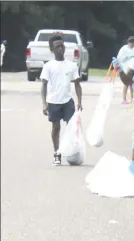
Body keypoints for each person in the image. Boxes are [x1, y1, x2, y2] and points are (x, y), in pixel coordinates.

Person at [40, 34, 82, 165]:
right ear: (52, 49)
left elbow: (77, 84)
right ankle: (57, 153)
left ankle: (72, 152)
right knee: (56, 128)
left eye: (62, 46)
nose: (61, 49)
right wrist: (44, 104)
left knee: (72, 127)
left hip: (68, 101)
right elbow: (44, 85)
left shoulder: (71, 65)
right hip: (53, 101)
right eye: (57, 46)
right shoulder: (48, 66)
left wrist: (79, 101)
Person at [117, 36, 134, 104]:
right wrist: (127, 57)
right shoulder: (124, 49)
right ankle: (124, 99)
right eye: (133, 43)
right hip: (125, 68)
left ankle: (132, 98)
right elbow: (119, 58)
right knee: (126, 84)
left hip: (133, 68)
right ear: (130, 43)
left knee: (132, 84)